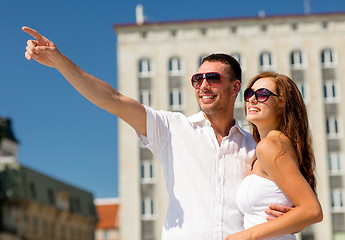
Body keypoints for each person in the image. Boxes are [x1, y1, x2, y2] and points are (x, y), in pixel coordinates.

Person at [23, 26, 291, 239]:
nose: (203, 85)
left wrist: (289, 219)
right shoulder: (172, 129)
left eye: (213, 78)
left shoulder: (255, 147)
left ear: (235, 88)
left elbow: (289, 206)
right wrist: (60, 62)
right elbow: (112, 99)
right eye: (197, 79)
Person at [226, 72, 323, 240]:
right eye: (249, 94)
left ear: (282, 104)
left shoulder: (270, 146)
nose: (252, 99)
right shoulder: (271, 145)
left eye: (262, 94)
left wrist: (245, 236)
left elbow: (312, 210)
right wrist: (294, 220)